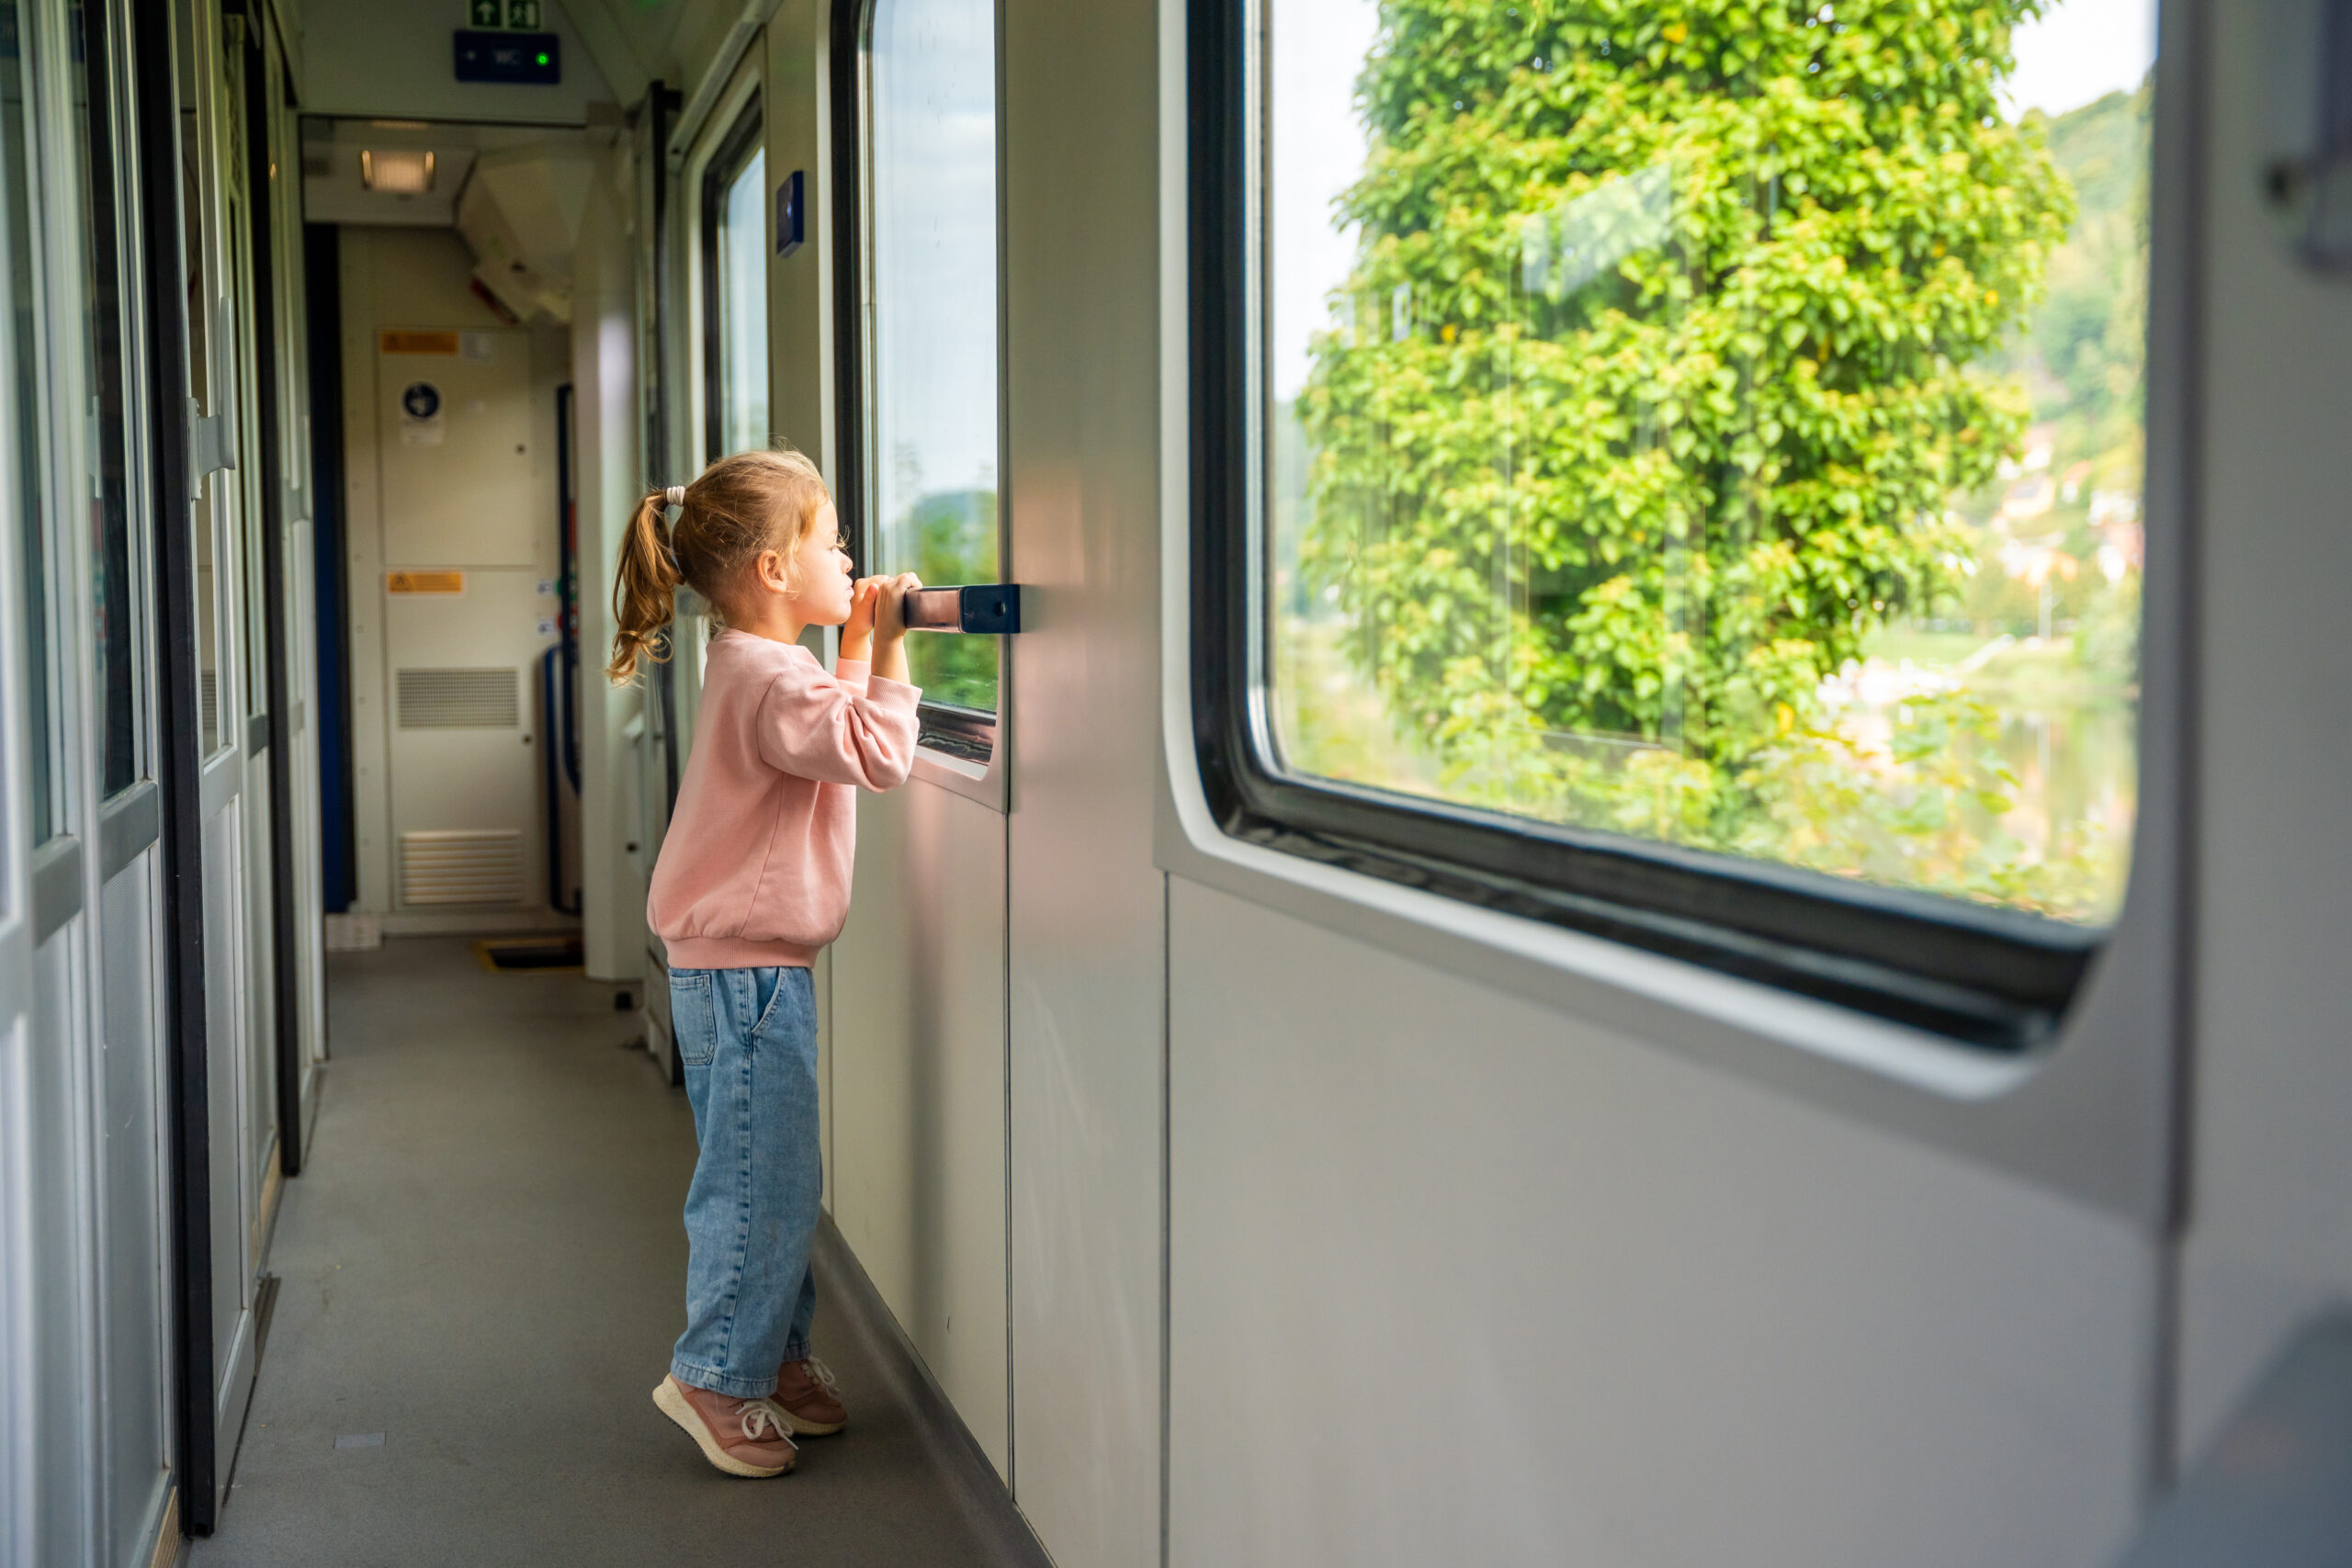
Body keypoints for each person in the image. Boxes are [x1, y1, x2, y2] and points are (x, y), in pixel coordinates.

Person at [606, 448, 922, 1477]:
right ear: (777, 574)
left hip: (750, 969)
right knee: (757, 1188)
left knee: (778, 1176)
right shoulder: (766, 674)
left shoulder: (762, 666)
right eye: (831, 542)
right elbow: (874, 753)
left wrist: (851, 647)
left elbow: (828, 734)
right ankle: (713, 1375)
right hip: (743, 974)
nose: (848, 559)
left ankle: (773, 1360)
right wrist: (882, 645)